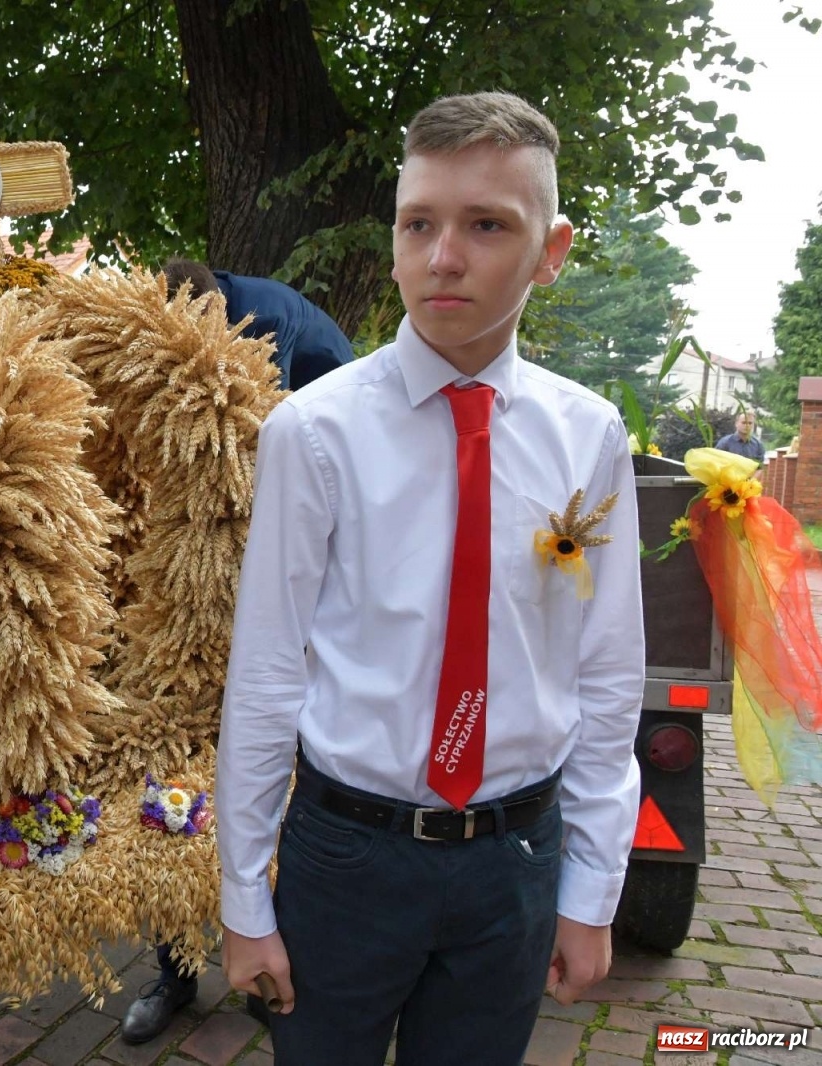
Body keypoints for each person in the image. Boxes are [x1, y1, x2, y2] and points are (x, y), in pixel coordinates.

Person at [216, 91, 644, 1065]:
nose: (442, 257)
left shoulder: (587, 436)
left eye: (486, 225)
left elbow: (607, 671)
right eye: (419, 224)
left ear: (551, 250)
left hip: (514, 859)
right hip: (346, 856)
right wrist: (244, 899)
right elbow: (268, 670)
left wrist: (590, 889)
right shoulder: (313, 433)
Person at [115, 260, 357, 1047]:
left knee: (270, 779)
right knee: (172, 775)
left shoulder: (271, 322)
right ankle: (175, 973)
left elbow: (264, 444)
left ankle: (264, 963)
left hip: (277, 557)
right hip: (185, 583)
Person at [160, 259, 354, 391]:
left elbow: (273, 394)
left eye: (199, 320)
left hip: (329, 372)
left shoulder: (267, 318)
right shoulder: (214, 286)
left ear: (210, 301)